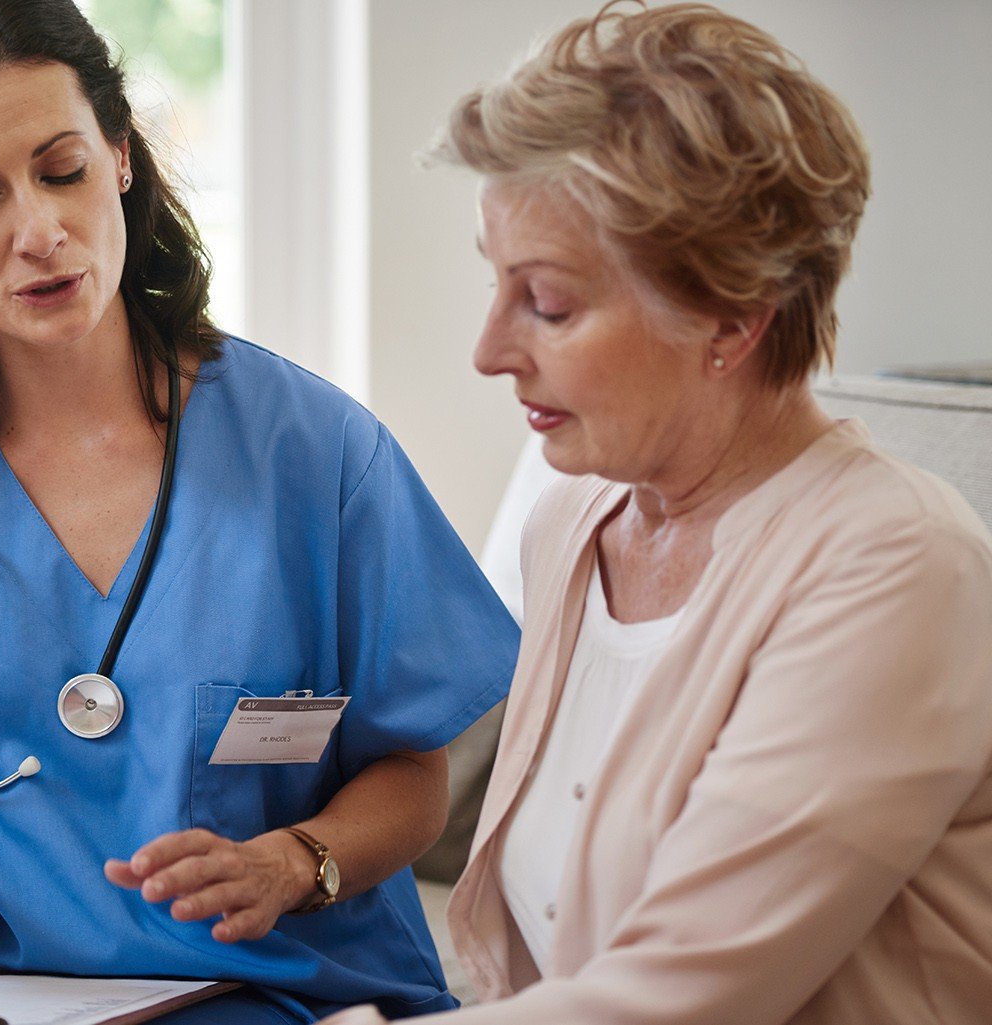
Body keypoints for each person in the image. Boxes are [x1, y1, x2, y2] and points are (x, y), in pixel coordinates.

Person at [0, 1, 519, 1022]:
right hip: (1, 1005)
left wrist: (294, 860)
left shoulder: (314, 452)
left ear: (122, 155)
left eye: (63, 169)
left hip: (281, 992)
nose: (39, 231)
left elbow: (416, 771)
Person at [323, 3, 992, 1024]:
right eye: (495, 285)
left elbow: (686, 993)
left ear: (732, 317)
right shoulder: (574, 512)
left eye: (546, 301)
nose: (490, 349)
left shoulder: (902, 565)